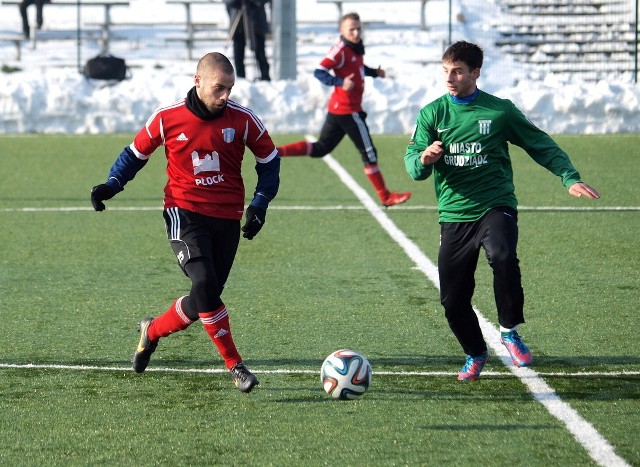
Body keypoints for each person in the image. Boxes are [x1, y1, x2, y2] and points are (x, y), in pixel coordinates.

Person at [404, 41, 600, 381]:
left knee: (504, 256)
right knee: (452, 300)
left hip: (496, 205)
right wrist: (424, 158)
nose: (450, 78)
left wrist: (568, 176)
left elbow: (540, 143)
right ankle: (475, 352)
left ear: (475, 73)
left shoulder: (500, 111)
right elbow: (413, 167)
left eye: (458, 71)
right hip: (454, 214)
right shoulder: (432, 114)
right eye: (446, 71)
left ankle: (509, 330)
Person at [90, 52, 280, 393]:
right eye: (219, 88)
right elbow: (134, 154)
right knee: (205, 283)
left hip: (226, 218)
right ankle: (236, 366)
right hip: (184, 212)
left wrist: (260, 203)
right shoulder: (167, 117)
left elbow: (270, 161)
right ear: (198, 81)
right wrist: (112, 184)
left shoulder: (244, 120)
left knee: (204, 297)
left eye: (230, 89)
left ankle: (151, 332)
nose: (225, 96)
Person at [276, 12, 411, 207]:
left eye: (358, 29)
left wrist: (374, 72)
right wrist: (339, 82)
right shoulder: (340, 49)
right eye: (351, 30)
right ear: (341, 31)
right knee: (369, 153)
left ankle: (277, 152)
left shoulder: (354, 48)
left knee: (321, 148)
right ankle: (385, 196)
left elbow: (357, 67)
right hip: (349, 110)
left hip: (340, 110)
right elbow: (319, 71)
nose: (356, 33)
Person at [224, 0, 271, 81]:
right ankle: (241, 79)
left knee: (260, 53)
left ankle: (265, 78)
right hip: (238, 22)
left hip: (256, 21)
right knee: (238, 54)